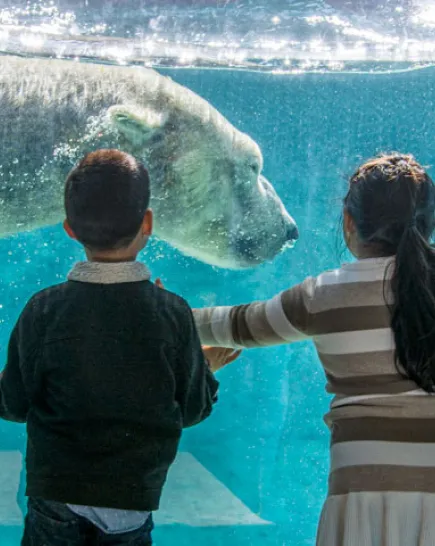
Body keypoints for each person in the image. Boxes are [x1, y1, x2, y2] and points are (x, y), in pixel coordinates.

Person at [191, 153, 435, 545]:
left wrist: (166, 312)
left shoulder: (324, 295)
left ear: (349, 222)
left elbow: (235, 324)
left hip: (359, 497)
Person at [0, 149, 240, 546]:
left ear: (69, 230)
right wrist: (206, 366)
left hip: (55, 497)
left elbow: (13, 402)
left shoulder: (44, 309)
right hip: (131, 501)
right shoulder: (172, 313)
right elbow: (192, 409)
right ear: (148, 223)